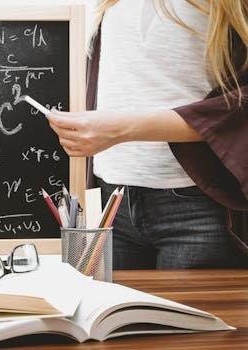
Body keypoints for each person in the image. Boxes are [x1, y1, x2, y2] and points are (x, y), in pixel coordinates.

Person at [47, 0, 248, 269]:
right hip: (108, 201)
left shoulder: (228, 5)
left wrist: (122, 129)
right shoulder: (109, 4)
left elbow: (240, 106)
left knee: (186, 312)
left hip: (196, 204)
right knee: (106, 310)